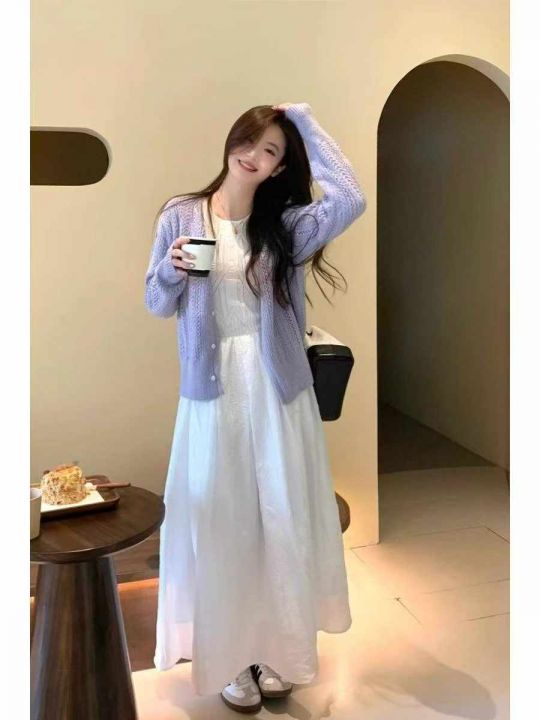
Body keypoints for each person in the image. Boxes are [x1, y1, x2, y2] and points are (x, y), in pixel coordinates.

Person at [145, 101, 366, 712]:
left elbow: (350, 198)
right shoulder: (180, 214)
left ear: (278, 168)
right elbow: (155, 302)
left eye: (271, 151)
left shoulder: (287, 225)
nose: (255, 156)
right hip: (211, 392)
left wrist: (305, 124)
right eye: (250, 141)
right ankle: (229, 657)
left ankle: (278, 652)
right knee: (224, 522)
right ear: (231, 141)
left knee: (279, 519)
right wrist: (170, 269)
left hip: (276, 390)